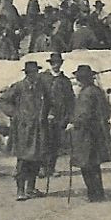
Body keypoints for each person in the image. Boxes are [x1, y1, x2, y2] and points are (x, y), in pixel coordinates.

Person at [0, 60, 51, 200]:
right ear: (27, 74)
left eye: (36, 72)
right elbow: (3, 101)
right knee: (23, 160)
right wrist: (16, 114)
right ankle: (20, 191)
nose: (35, 75)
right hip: (23, 130)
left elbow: (49, 102)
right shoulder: (19, 87)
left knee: (36, 158)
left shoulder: (41, 87)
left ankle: (31, 189)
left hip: (38, 128)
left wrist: (48, 114)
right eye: (33, 73)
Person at [68, 64, 111, 201]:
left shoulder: (86, 93)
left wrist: (73, 123)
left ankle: (93, 194)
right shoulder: (97, 91)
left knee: (86, 164)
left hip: (86, 134)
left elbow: (84, 114)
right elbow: (107, 110)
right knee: (94, 164)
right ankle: (98, 193)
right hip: (97, 132)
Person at [41, 52, 74, 180]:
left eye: (58, 63)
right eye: (53, 63)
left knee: (55, 143)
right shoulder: (43, 78)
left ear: (61, 64)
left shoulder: (65, 81)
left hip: (60, 116)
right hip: (44, 116)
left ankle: (51, 168)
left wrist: (70, 118)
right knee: (44, 142)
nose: (55, 66)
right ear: (50, 64)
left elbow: (71, 100)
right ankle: (42, 168)